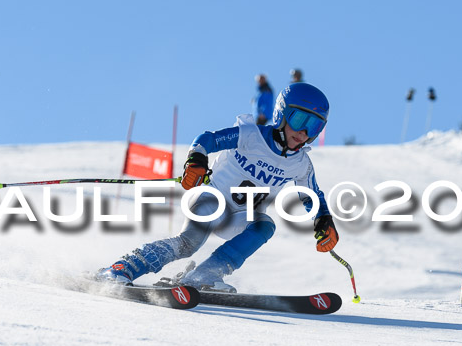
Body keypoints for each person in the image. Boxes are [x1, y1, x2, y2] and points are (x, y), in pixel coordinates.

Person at [96, 83, 339, 292]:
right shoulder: (250, 136)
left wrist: (323, 221)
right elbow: (207, 139)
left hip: (240, 216)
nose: (304, 132)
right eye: (299, 120)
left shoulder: (300, 164)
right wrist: (197, 161)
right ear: (282, 114)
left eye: (315, 126)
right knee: (188, 244)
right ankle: (121, 268)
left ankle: (203, 277)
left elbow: (312, 196)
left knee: (265, 225)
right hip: (211, 199)